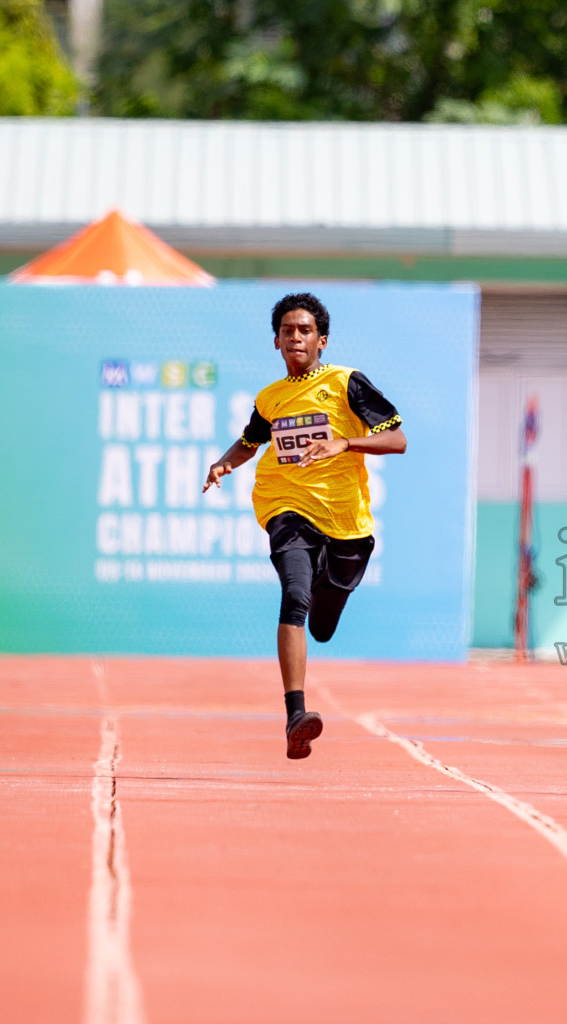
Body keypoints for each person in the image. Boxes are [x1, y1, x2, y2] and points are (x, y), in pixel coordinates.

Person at [204, 293, 406, 759]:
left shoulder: (345, 383)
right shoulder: (270, 398)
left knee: (323, 623)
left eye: (305, 330)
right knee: (294, 593)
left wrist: (345, 444)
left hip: (345, 521)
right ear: (275, 341)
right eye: (288, 330)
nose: (296, 336)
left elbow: (397, 439)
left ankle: (327, 595)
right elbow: (250, 442)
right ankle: (296, 715)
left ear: (322, 341)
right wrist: (222, 463)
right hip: (285, 505)